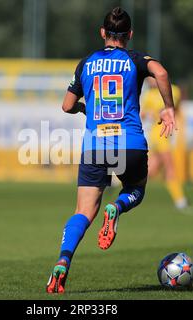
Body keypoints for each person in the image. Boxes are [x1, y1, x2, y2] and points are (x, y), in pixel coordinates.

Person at [46, 7, 177, 293]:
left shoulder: (86, 63)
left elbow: (67, 106)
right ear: (129, 34)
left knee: (83, 211)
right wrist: (168, 108)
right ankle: (116, 207)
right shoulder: (135, 59)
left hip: (95, 146)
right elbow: (162, 73)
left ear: (102, 33)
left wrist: (86, 108)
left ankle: (63, 261)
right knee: (136, 189)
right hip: (129, 142)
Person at [141, 78, 191, 211]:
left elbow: (176, 109)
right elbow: (142, 114)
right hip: (159, 134)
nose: (150, 81)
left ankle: (122, 185)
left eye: (151, 77)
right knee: (170, 167)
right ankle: (180, 200)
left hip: (168, 134)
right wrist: (149, 114)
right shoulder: (149, 95)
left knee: (151, 170)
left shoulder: (173, 90)